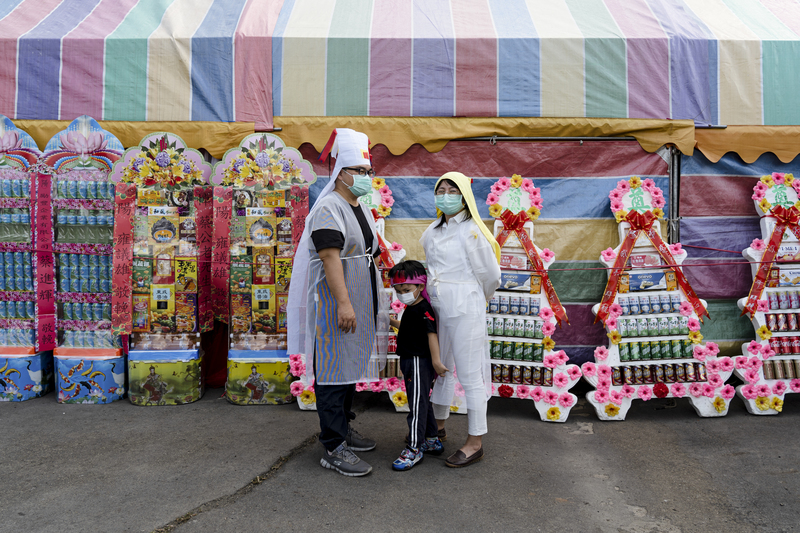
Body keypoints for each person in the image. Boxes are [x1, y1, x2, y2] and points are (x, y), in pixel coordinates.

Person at [287, 128, 389, 477]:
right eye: (358, 171)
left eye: (367, 172)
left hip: (357, 301)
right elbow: (331, 257)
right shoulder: (330, 207)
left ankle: (344, 427)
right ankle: (333, 445)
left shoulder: (356, 205)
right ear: (341, 173)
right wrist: (344, 303)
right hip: (336, 305)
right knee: (332, 370)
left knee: (347, 367)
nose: (365, 178)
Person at [421, 172, 501, 468]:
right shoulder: (433, 229)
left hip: (466, 305)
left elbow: (491, 276)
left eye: (452, 190)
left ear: (464, 194)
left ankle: (475, 441)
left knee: (469, 374)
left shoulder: (472, 231)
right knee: (442, 367)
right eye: (440, 189)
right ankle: (438, 428)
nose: (445, 194)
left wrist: (476, 298)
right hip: (438, 306)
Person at [387, 260, 448, 471]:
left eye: (406, 289)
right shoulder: (412, 307)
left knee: (416, 405)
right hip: (410, 361)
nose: (402, 293)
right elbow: (407, 328)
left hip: (417, 361)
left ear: (421, 286)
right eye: (398, 290)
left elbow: (432, 335)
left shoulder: (423, 308)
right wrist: (389, 321)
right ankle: (431, 439)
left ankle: (414, 447)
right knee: (422, 401)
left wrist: (436, 362)